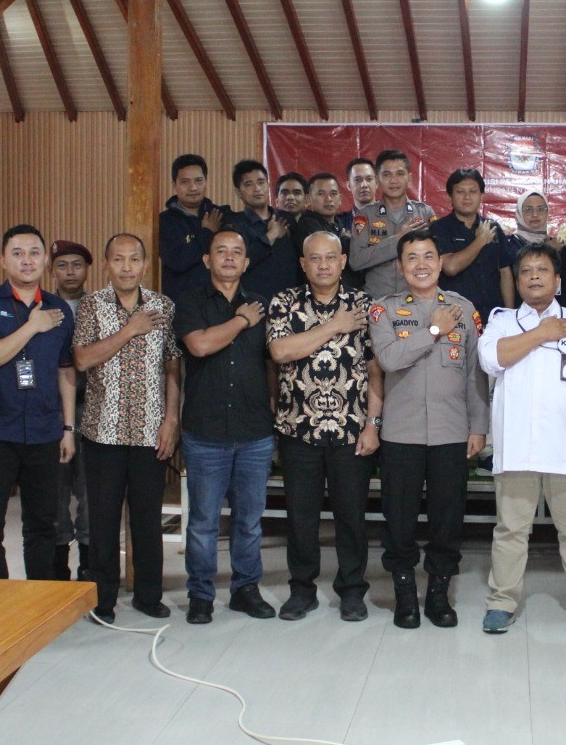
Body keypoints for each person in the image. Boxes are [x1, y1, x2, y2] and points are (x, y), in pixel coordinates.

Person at [479, 242, 566, 634]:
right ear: (517, 280)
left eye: (542, 270)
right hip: (517, 449)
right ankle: (502, 602)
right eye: (526, 271)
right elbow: (492, 359)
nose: (534, 276)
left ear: (557, 280)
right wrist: (542, 333)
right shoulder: (502, 321)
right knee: (510, 531)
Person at [369, 228, 490, 629]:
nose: (421, 265)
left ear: (440, 263)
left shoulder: (463, 310)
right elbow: (389, 359)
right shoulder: (384, 311)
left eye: (428, 257)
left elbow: (474, 373)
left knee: (447, 518)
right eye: (412, 258)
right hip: (400, 433)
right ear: (400, 266)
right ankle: (405, 593)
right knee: (399, 518)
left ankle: (439, 592)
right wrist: (434, 330)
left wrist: (479, 426)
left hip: (451, 432)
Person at [267, 230, 383, 622]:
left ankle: (352, 591)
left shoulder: (363, 304)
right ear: (303, 264)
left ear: (343, 261)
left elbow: (375, 369)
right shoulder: (285, 302)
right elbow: (281, 351)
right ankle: (302, 590)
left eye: (330, 257)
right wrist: (334, 326)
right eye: (314, 258)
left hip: (352, 431)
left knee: (351, 517)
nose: (323, 265)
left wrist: (373, 424)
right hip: (298, 430)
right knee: (301, 517)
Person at [72, 233, 180, 622]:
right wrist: (130, 329)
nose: (126, 267)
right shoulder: (91, 305)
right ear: (106, 265)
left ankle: (148, 596)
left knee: (147, 520)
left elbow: (172, 364)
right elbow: (82, 359)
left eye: (134, 259)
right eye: (118, 259)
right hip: (103, 431)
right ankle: (102, 600)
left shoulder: (163, 306)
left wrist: (171, 419)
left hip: (151, 431)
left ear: (145, 265)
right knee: (102, 520)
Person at [173, 229, 278, 623]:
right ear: (207, 260)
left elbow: (271, 362)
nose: (230, 257)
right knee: (203, 522)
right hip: (206, 431)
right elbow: (199, 345)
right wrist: (240, 321)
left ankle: (245, 589)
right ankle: (200, 594)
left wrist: (272, 403)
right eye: (222, 251)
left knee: (249, 521)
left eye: (237, 252)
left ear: (247, 262)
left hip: (254, 430)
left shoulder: (262, 305)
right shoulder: (191, 302)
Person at [0, 224, 77, 580]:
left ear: (45, 261)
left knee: (43, 524)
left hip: (44, 430)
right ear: (2, 260)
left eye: (34, 253)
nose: (27, 260)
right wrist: (32, 326)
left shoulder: (59, 308)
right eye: (17, 253)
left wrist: (68, 428)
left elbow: (65, 371)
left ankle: (38, 601)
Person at [50, 239, 93, 579]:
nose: (70, 272)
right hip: (52, 410)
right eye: (62, 265)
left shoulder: (99, 306)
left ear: (87, 270)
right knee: (55, 492)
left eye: (76, 265)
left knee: (90, 493)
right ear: (52, 271)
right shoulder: (43, 308)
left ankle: (90, 569)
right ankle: (58, 571)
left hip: (92, 407)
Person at [350, 149, 436, 299]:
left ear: (409, 178)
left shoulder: (425, 213)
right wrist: (398, 239)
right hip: (377, 302)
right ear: (378, 179)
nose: (394, 181)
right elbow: (356, 261)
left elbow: (437, 259)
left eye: (400, 174)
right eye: (387, 175)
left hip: (417, 301)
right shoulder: (365, 215)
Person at [433, 167, 513, 314]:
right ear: (449, 197)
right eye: (460, 191)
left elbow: (505, 273)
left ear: (481, 196)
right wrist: (480, 241)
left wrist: (509, 313)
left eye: (473, 191)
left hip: (493, 315)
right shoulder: (439, 228)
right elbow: (450, 267)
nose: (467, 197)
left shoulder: (493, 227)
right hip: (456, 315)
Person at [222, 160, 298, 303]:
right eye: (248, 184)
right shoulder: (234, 224)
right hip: (253, 306)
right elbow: (239, 262)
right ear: (238, 192)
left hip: (290, 305)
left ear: (268, 185)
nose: (257, 188)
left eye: (261, 182)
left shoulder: (286, 219)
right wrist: (270, 236)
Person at [160, 154, 225, 302]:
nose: (193, 187)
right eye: (185, 182)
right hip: (180, 305)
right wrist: (207, 233)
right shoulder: (164, 221)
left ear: (206, 182)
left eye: (198, 181)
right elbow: (177, 261)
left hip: (219, 304)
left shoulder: (219, 215)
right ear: (174, 184)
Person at [505, 189, 566, 307]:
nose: (535, 214)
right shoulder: (508, 245)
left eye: (540, 209)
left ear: (547, 212)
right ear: (519, 213)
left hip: (555, 313)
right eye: (528, 209)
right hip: (518, 312)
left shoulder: (557, 246)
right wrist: (546, 251)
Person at [292, 172, 351, 264]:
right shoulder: (307, 226)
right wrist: (346, 241)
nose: (329, 199)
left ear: (340, 199)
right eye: (321, 193)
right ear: (308, 199)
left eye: (333, 193)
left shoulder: (338, 224)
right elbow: (328, 257)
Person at [340, 156, 378, 234]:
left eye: (369, 179)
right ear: (349, 186)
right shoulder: (340, 223)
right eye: (357, 180)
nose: (364, 185)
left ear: (377, 183)